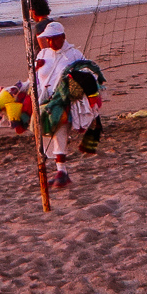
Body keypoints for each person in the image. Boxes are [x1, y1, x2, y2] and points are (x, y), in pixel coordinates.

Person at [32, 22, 96, 187]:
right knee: (44, 130)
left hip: (65, 100)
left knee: (59, 126)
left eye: (54, 38)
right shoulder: (43, 54)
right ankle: (60, 170)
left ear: (63, 37)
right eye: (48, 39)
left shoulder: (74, 55)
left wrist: (76, 80)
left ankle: (61, 171)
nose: (50, 42)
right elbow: (34, 80)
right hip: (44, 99)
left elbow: (91, 74)